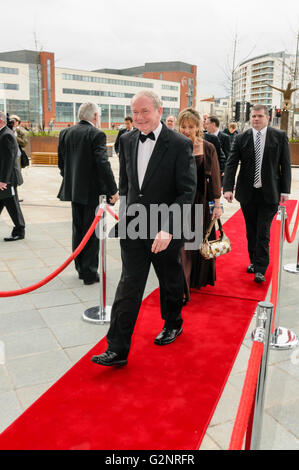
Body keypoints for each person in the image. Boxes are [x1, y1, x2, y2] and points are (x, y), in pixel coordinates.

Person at [91, 90, 197, 367]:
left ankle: (173, 322)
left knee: (170, 277)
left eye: (145, 111)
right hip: (134, 225)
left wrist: (169, 228)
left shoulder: (179, 144)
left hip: (165, 226)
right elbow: (126, 183)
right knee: (129, 284)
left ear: (159, 111)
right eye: (135, 112)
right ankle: (117, 348)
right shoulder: (126, 140)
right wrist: (122, 216)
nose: (139, 118)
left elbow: (187, 192)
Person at [223, 104, 291, 283]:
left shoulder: (279, 136)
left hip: (270, 193)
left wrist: (285, 190)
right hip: (248, 193)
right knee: (251, 231)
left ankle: (260, 268)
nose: (256, 119)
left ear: (267, 118)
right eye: (253, 116)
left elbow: (285, 164)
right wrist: (228, 188)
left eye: (260, 116)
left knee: (263, 232)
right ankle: (254, 261)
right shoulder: (241, 138)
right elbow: (231, 163)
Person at [57, 102, 119, 285]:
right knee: (91, 233)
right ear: (95, 116)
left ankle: (80, 268)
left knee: (78, 230)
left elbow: (62, 163)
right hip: (93, 192)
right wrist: (113, 190)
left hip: (74, 190)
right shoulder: (96, 134)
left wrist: (71, 180)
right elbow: (102, 164)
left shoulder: (66, 132)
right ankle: (90, 273)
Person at [178, 108, 222, 304]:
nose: (186, 130)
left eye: (191, 126)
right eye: (183, 126)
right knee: (182, 247)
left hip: (201, 203)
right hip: (178, 203)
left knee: (195, 244)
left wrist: (217, 204)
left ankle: (192, 281)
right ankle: (183, 286)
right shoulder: (173, 146)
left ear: (198, 127)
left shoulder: (208, 147)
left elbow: (214, 180)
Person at [0, 111, 26, 241]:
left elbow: (8, 160)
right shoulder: (3, 133)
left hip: (8, 179)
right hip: (4, 178)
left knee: (12, 205)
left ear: (1, 121)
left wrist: (3, 180)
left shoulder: (6, 135)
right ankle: (19, 229)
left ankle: (19, 231)